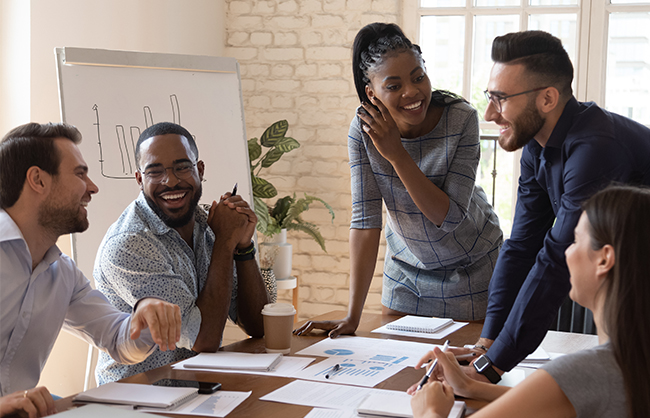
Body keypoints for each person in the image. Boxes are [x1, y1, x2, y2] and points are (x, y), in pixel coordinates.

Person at [457, 30, 650, 382]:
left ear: (548, 98)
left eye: (500, 99)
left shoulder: (595, 148)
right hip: (624, 298)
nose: (489, 113)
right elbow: (521, 246)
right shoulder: (538, 146)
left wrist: (493, 366)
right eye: (490, 96)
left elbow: (555, 259)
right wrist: (486, 344)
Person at [411, 185, 650, 418]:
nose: (567, 254)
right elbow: (568, 399)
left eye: (575, 241)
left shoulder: (588, 370)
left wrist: (431, 411)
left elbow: (572, 388)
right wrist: (470, 386)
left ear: (604, 259)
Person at [294, 22, 503, 337]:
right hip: (407, 274)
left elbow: (447, 217)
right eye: (393, 86)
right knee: (396, 376)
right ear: (371, 92)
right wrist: (352, 317)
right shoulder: (363, 131)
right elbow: (365, 222)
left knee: (464, 375)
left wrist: (396, 154)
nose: (412, 92)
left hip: (474, 270)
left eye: (418, 77)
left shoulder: (461, 119)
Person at [0, 122, 182, 417]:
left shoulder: (63, 273)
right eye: (79, 174)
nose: (93, 187)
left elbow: (118, 340)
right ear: (38, 180)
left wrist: (145, 314)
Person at [93, 122, 268, 384]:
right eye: (155, 171)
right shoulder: (129, 243)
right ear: (140, 179)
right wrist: (224, 242)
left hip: (197, 387)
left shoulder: (207, 223)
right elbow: (203, 339)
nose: (171, 180)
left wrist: (243, 248)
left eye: (182, 167)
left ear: (200, 170)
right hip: (138, 399)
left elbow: (259, 326)